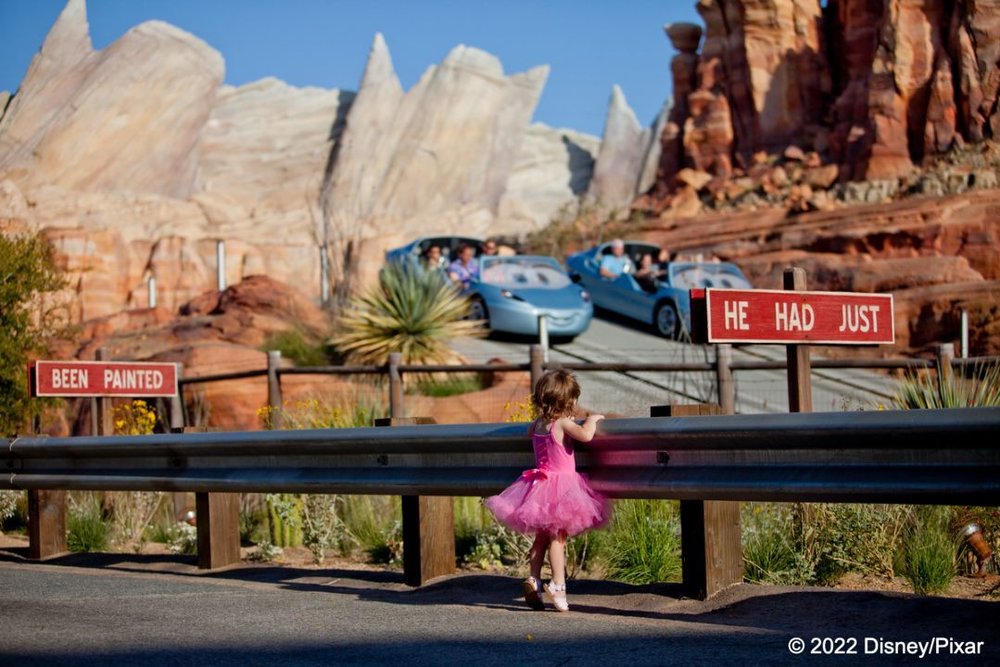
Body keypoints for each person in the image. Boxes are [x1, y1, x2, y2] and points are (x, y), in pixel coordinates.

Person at [484, 369, 610, 612]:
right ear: (568, 401)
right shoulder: (562, 424)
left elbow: (530, 433)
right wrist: (592, 420)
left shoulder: (537, 425)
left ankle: (534, 579)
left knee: (540, 538)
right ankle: (558, 585)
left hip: (538, 486)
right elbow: (585, 436)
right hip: (561, 488)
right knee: (558, 538)